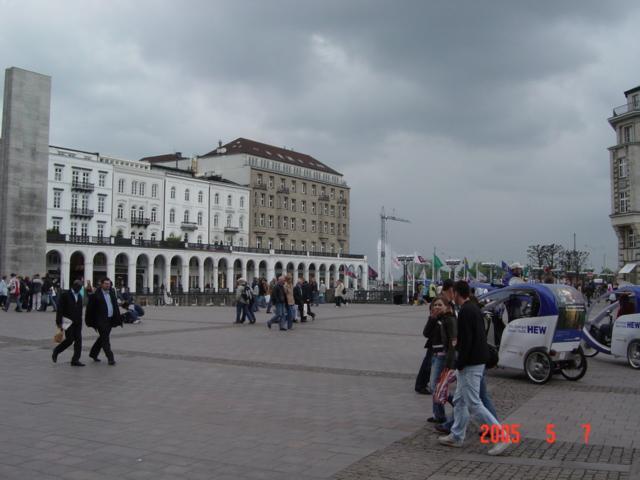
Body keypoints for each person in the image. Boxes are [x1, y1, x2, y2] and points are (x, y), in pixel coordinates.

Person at [439, 281, 508, 456]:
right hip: (475, 362)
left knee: (474, 403)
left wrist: (460, 363)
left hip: (471, 364)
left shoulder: (465, 311)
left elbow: (467, 341)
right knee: (460, 400)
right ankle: (456, 435)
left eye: (452, 293)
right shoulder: (473, 308)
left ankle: (502, 436)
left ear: (456, 293)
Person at [428, 297, 457, 423]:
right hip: (435, 355)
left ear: (446, 306)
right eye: (435, 305)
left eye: (440, 305)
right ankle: (438, 415)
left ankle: (457, 402)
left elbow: (453, 341)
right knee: (436, 386)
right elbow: (426, 333)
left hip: (443, 356)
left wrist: (450, 362)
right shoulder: (436, 319)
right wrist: (432, 319)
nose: (437, 307)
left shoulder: (449, 319)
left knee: (435, 386)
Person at [86, 277, 121, 365]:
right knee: (105, 339)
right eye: (105, 283)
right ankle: (110, 358)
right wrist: (90, 321)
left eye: (108, 283)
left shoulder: (111, 292)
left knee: (102, 338)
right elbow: (90, 308)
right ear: (101, 284)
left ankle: (93, 354)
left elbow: (115, 305)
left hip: (110, 320)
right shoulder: (96, 294)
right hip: (101, 320)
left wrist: (118, 317)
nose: (107, 285)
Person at [52, 280, 85, 366]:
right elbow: (60, 309)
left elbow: (80, 309)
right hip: (68, 321)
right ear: (74, 285)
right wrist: (59, 322)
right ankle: (56, 350)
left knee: (78, 340)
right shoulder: (65, 295)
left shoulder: (80, 296)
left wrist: (81, 320)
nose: (79, 288)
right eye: (78, 286)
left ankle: (75, 360)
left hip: (77, 322)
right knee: (70, 340)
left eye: (81, 287)